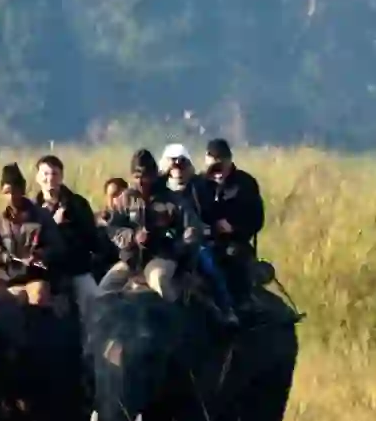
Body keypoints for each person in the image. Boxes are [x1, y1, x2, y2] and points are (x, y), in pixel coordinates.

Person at [160, 142, 239, 326]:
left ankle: (226, 308)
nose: (178, 168)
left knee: (210, 267)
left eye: (182, 163)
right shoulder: (159, 190)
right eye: (174, 164)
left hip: (195, 242)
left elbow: (208, 212)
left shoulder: (198, 187)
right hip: (163, 244)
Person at [103, 149, 193, 301]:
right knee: (104, 289)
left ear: (153, 175)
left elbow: (190, 230)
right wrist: (132, 237)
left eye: (144, 176)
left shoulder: (171, 200)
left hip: (161, 257)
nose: (140, 181)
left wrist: (176, 249)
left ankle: (175, 316)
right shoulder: (125, 199)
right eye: (137, 176)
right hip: (132, 260)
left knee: (159, 281)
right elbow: (113, 228)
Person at [34, 154, 109, 299]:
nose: (50, 179)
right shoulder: (32, 209)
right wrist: (53, 225)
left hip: (76, 270)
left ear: (61, 177)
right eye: (45, 174)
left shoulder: (77, 204)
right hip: (45, 272)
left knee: (93, 300)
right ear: (37, 177)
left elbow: (90, 239)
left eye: (54, 174)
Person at [201, 138, 265, 303]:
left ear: (230, 160)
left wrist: (234, 228)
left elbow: (257, 219)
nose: (218, 171)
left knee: (233, 257)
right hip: (202, 240)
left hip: (234, 242)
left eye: (222, 164)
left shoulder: (245, 184)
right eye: (213, 166)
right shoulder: (199, 184)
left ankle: (241, 303)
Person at [0, 162, 64, 298]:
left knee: (38, 295)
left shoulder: (42, 216)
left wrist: (39, 255)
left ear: (23, 191)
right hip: (8, 278)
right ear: (1, 193)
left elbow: (56, 246)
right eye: (7, 192)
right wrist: (6, 257)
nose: (11, 197)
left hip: (36, 276)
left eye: (15, 191)